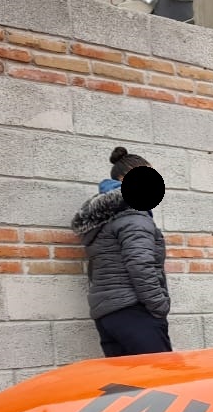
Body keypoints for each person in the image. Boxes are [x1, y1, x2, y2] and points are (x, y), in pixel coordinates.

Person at [71, 147, 172, 357]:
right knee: (159, 381)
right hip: (134, 312)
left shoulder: (102, 216)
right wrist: (159, 306)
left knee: (125, 386)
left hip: (108, 316)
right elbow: (140, 264)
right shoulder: (133, 214)